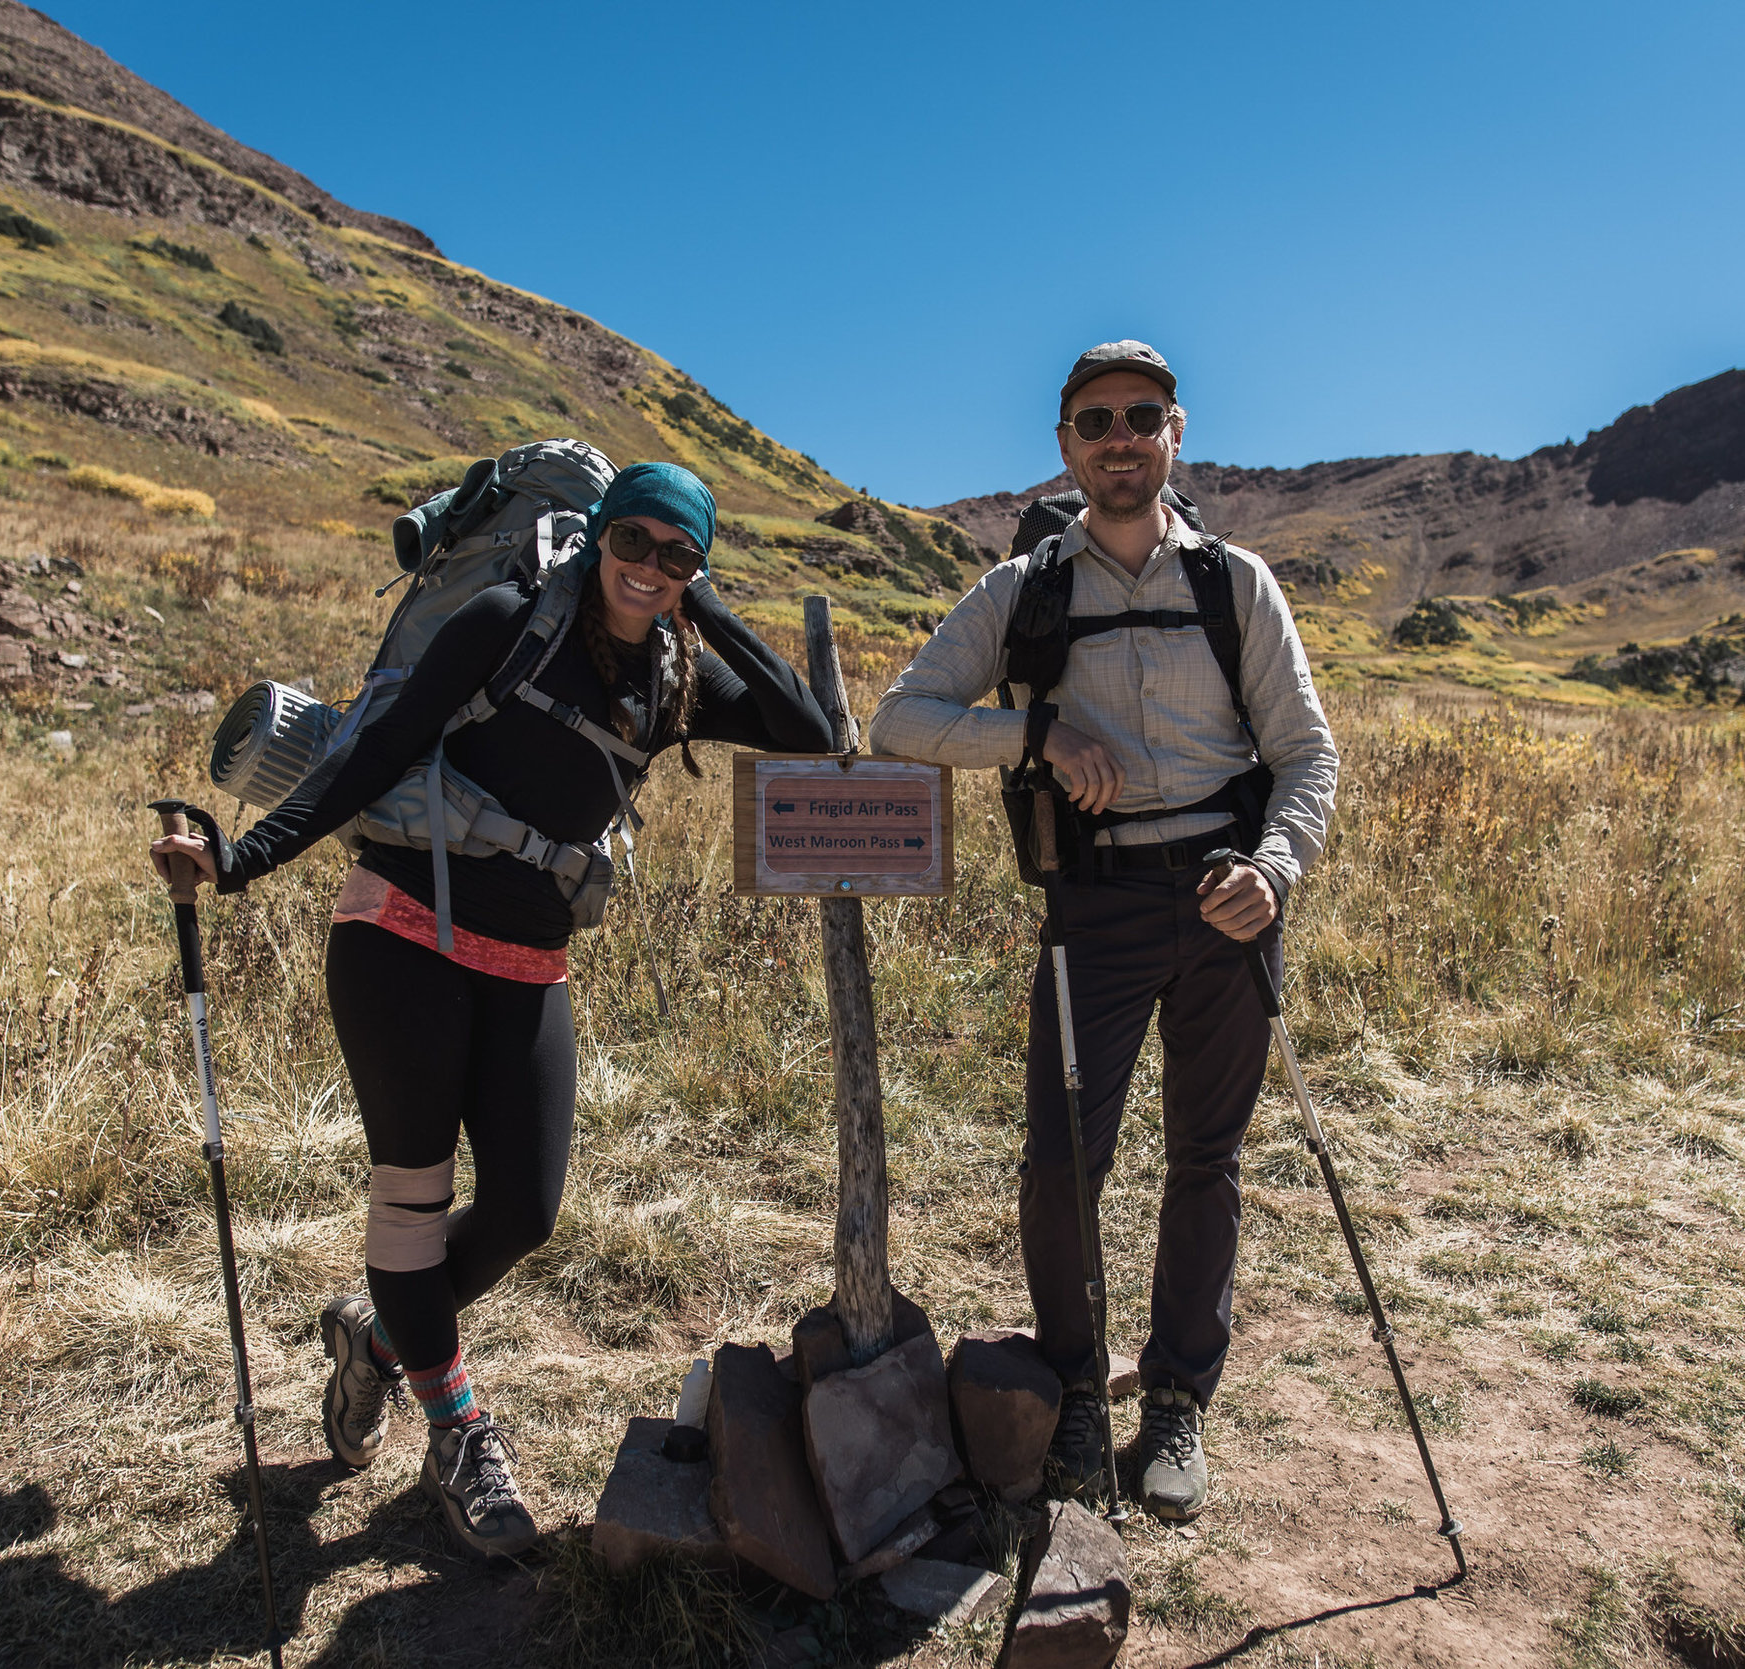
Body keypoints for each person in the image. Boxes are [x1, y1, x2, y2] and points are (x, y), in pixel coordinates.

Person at [150, 462, 831, 1561]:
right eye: (637, 543)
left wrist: (698, 604)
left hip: (531, 956)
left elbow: (804, 730)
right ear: (599, 534)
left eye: (679, 554)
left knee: (525, 1210)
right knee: (414, 1204)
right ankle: (456, 1422)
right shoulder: (508, 621)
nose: (650, 569)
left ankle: (381, 1340)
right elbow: (371, 752)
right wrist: (240, 859)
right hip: (402, 930)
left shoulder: (676, 673)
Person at [868, 342, 1339, 1523]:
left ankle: (1176, 1399)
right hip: (1093, 904)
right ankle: (1076, 1387)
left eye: (1140, 417)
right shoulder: (1023, 591)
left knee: (1206, 1157)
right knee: (1061, 1161)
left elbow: (1305, 756)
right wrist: (1032, 742)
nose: (1118, 438)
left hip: (1228, 898)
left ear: (1175, 431)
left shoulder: (1238, 583)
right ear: (1066, 445)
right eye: (1094, 422)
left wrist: (1275, 869)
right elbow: (900, 719)